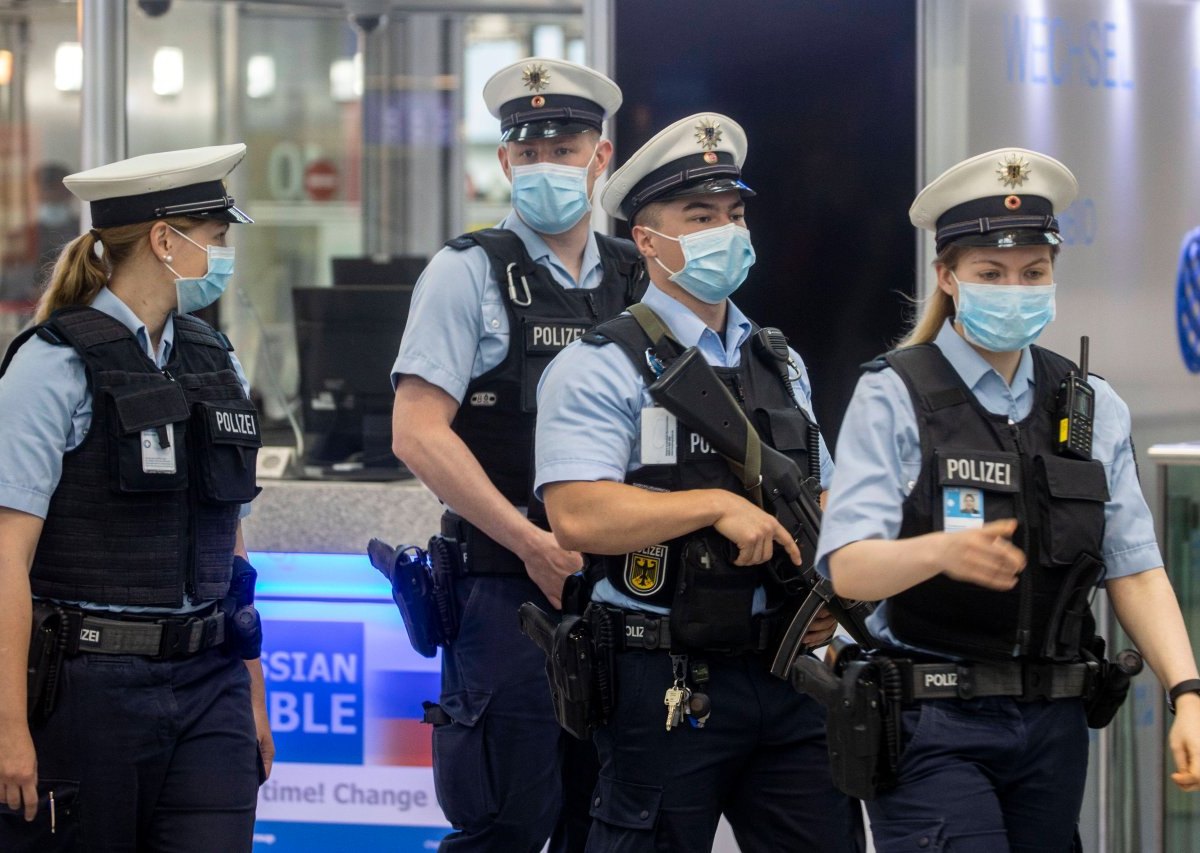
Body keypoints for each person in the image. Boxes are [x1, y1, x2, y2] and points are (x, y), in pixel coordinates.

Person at [816, 147, 1200, 851]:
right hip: (932, 720)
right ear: (948, 276)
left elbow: (1137, 569)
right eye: (990, 273)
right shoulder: (896, 392)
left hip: (1052, 725)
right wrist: (938, 551)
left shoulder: (1090, 406)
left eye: (1032, 272)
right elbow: (847, 569)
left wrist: (1188, 693)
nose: (1014, 288)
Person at [534, 112, 861, 852]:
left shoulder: (781, 361)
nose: (726, 231)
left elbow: (827, 497)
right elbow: (575, 514)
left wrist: (838, 595)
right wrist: (712, 505)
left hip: (786, 669)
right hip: (665, 678)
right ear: (647, 241)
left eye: (734, 215)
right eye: (700, 216)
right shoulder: (600, 364)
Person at [390, 58, 643, 852]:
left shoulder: (641, 277)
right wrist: (530, 541)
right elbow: (418, 431)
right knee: (507, 820)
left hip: (626, 596)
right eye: (528, 152)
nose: (546, 167)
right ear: (504, 162)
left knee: (609, 821)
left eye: (564, 150)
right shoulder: (467, 273)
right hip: (506, 593)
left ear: (600, 158)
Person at [0, 144, 274, 852]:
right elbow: (6, 555)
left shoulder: (216, 359)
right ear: (164, 240)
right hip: (91, 691)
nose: (222, 257)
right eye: (215, 240)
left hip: (210, 680)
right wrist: (7, 726)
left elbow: (228, 541)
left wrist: (252, 691)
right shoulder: (52, 364)